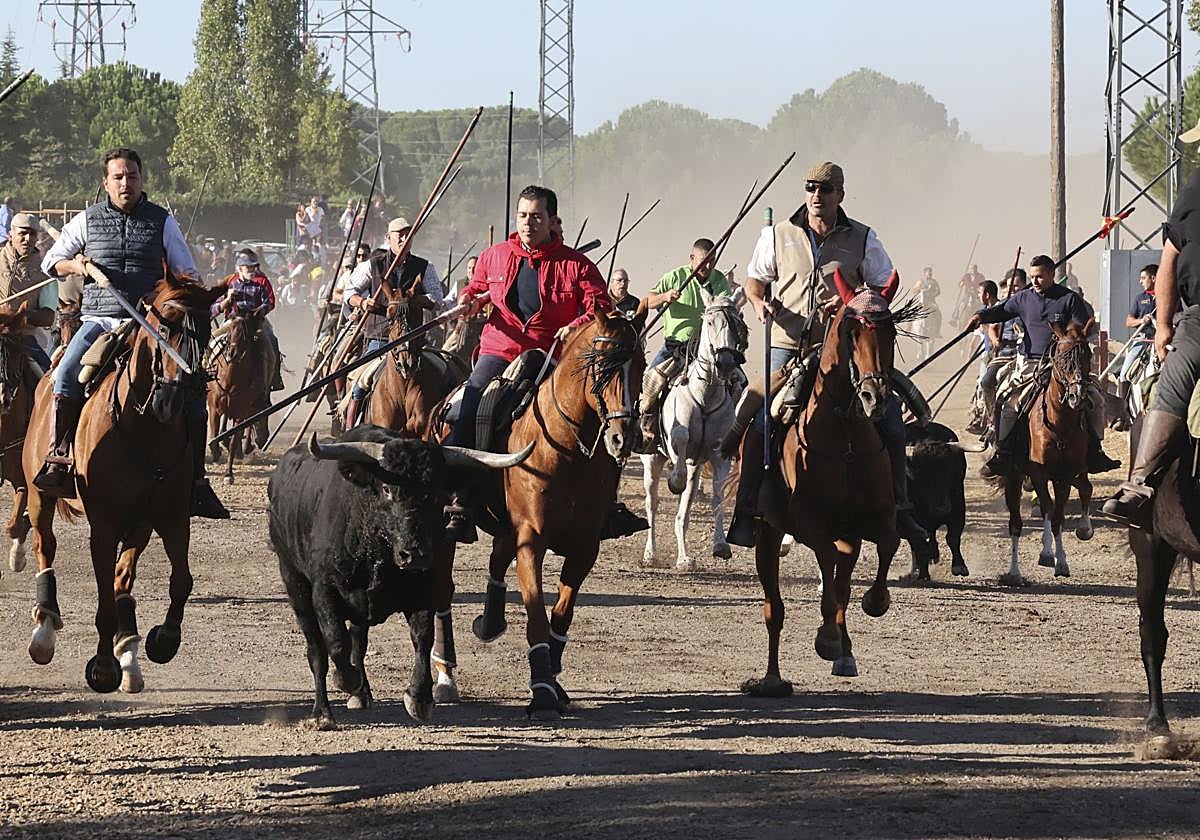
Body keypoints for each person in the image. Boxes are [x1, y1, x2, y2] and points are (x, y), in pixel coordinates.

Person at [728, 160, 928, 546]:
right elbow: (755, 283)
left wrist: (852, 304)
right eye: (810, 189)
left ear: (840, 195)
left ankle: (900, 508)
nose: (816, 197)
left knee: (889, 418)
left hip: (847, 351)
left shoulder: (863, 238)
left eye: (825, 190)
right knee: (763, 418)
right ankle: (747, 505)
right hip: (789, 345)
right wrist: (758, 304)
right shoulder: (777, 235)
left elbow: (882, 286)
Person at [36, 147, 228, 517]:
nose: (126, 183)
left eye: (132, 176)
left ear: (142, 179)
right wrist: (78, 265)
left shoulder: (162, 221)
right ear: (106, 182)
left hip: (151, 324)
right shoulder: (86, 221)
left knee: (190, 385)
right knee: (65, 376)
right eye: (119, 177)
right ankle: (60, 458)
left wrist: (189, 296)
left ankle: (197, 481)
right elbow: (51, 262)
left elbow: (187, 271)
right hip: (101, 321)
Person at [445, 185, 611, 542]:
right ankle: (461, 499)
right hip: (498, 349)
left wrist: (577, 325)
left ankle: (605, 502)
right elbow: (474, 290)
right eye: (522, 216)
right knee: (469, 404)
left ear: (551, 220)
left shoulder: (575, 265)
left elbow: (602, 308)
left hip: (551, 353)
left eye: (536, 217)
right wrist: (467, 301)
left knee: (596, 412)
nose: (527, 223)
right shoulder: (494, 256)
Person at [1102, 117, 1200, 522]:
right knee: (1174, 382)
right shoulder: (1195, 190)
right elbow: (1169, 259)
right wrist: (1162, 325)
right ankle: (1140, 482)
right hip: (1199, 319)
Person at [968, 254, 1119, 478]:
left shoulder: (1069, 299)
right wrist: (981, 315)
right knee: (1008, 402)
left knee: (1095, 400)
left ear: (1051, 274)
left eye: (1039, 277)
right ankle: (1003, 452)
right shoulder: (1023, 298)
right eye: (1032, 277)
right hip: (1029, 362)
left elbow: (1082, 326)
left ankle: (1096, 451)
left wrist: (1071, 337)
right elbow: (1001, 311)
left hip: (1064, 364)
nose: (1035, 281)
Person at [342, 216, 444, 428]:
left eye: (409, 234)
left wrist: (415, 299)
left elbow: (437, 298)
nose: (405, 238)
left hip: (415, 340)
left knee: (445, 373)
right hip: (380, 338)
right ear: (389, 238)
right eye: (400, 234)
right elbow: (349, 292)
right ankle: (350, 429)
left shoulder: (424, 266)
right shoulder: (373, 265)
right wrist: (362, 302)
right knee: (361, 382)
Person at [638, 239, 731, 444]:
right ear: (692, 259)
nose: (708, 266)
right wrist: (665, 296)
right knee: (650, 381)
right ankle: (648, 428)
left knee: (737, 380)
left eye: (712, 261)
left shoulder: (719, 280)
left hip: (708, 348)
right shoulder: (675, 277)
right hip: (676, 347)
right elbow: (648, 300)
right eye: (703, 261)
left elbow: (727, 305)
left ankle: (732, 431)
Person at [215, 249, 284, 391]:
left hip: (256, 322)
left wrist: (261, 310)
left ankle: (274, 378)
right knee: (212, 341)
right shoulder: (230, 283)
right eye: (248, 267)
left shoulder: (260, 284)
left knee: (272, 340)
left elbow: (269, 302)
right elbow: (215, 307)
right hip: (233, 322)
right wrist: (227, 300)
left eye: (253, 266)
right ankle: (204, 373)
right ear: (240, 268)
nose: (252, 270)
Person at [0, 212, 56, 370]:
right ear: (11, 234)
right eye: (22, 233)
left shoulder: (45, 270)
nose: (28, 239)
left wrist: (22, 315)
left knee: (49, 380)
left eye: (32, 234)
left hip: (23, 337)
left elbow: (48, 317)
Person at [1114, 264, 1158, 424]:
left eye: (1143, 278)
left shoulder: (1168, 296)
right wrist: (1142, 320)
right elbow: (1128, 321)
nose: (1140, 281)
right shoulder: (1140, 298)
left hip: (1161, 340)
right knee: (1125, 372)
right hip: (1142, 340)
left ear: (1154, 278)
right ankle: (1123, 413)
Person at [910, 266, 942, 361]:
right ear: (924, 273)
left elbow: (938, 291)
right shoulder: (920, 282)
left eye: (930, 272)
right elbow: (913, 290)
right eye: (928, 272)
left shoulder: (934, 282)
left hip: (930, 301)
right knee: (912, 312)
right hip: (920, 301)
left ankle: (937, 330)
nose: (930, 274)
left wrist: (932, 294)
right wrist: (919, 290)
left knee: (938, 313)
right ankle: (910, 326)